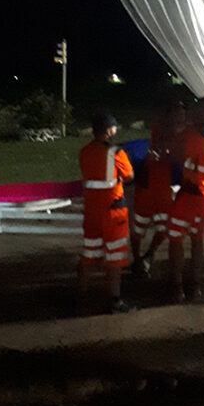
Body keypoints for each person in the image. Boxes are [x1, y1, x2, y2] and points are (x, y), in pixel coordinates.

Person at [166, 95, 204, 303]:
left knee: (175, 239)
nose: (196, 117)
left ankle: (176, 286)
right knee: (197, 237)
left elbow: (178, 156)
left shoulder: (201, 137)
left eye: (200, 112)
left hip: (192, 194)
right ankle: (195, 284)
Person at [78, 111, 135, 314]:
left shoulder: (85, 151)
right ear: (109, 130)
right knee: (115, 257)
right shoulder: (115, 153)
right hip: (113, 212)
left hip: (92, 212)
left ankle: (81, 295)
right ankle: (114, 299)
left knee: (88, 254)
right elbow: (129, 176)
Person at [130, 101, 186, 278]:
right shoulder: (159, 130)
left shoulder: (183, 134)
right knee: (139, 228)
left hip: (163, 188)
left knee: (165, 228)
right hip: (148, 187)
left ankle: (149, 254)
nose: (181, 118)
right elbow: (153, 154)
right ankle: (138, 259)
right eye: (177, 115)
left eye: (182, 115)